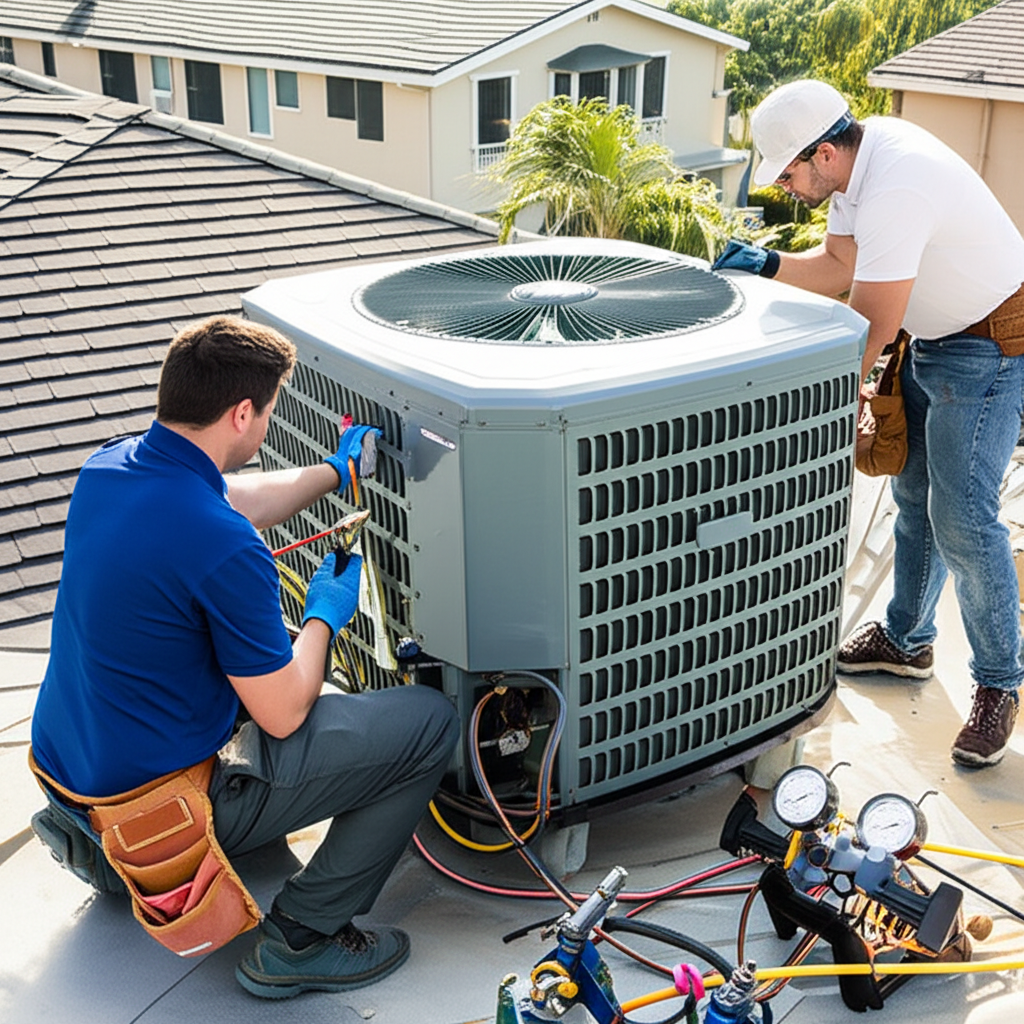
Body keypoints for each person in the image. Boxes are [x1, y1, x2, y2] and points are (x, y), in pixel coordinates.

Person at [30, 315, 459, 996]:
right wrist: (323, 614)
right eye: (266, 417)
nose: (265, 430)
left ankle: (112, 856)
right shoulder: (223, 547)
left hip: (75, 799)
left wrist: (333, 472)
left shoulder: (107, 470)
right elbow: (286, 712)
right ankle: (303, 939)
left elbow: (224, 498)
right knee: (429, 722)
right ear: (239, 413)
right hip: (161, 825)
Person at [715, 79, 1024, 768]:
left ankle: (1000, 685)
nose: (785, 186)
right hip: (935, 333)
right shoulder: (859, 165)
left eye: (789, 172)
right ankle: (907, 640)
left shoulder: (897, 184)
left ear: (824, 153)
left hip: (990, 343)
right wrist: (765, 266)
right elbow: (840, 267)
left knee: (965, 518)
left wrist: (819, 409)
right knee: (913, 496)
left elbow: (870, 325)